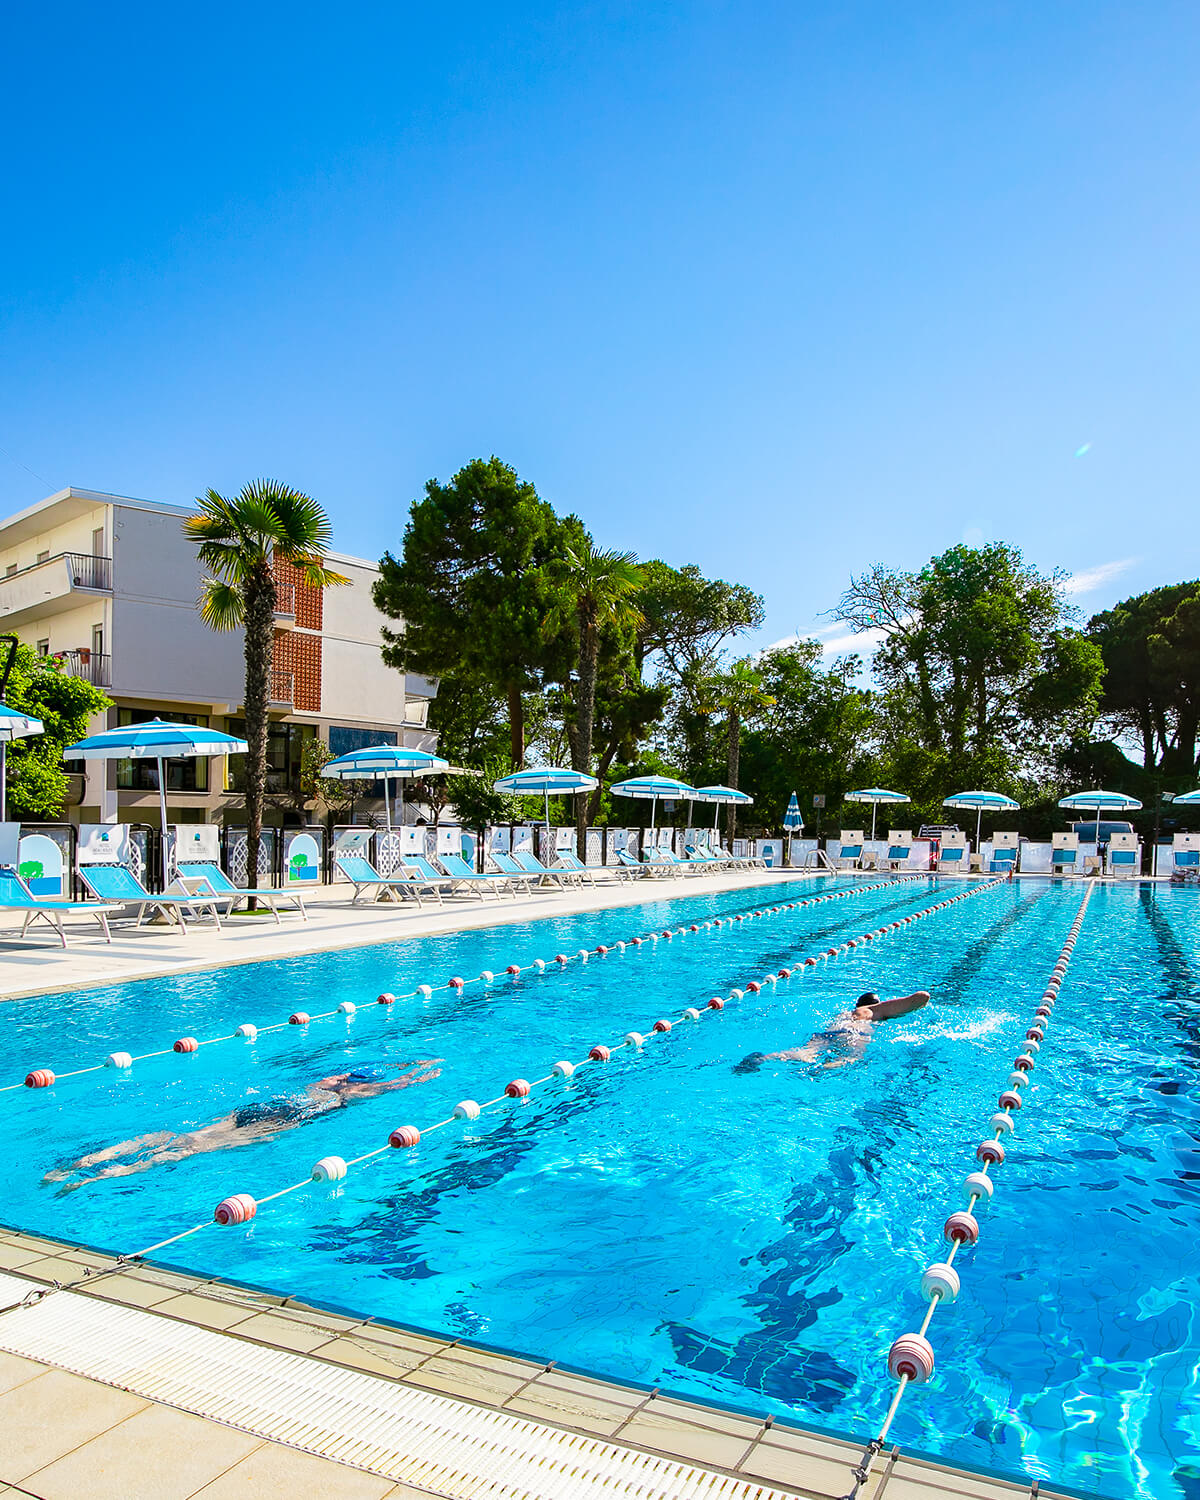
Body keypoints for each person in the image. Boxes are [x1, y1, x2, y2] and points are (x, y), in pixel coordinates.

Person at [44, 1060, 442, 1189]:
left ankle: (93, 1159)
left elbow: (346, 1079)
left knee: (175, 1136)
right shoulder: (349, 1096)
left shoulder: (321, 1083)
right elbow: (394, 1086)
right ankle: (110, 1173)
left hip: (255, 1108)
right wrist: (420, 1073)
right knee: (193, 1148)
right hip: (283, 1120)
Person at [735, 991, 930, 1072]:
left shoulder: (845, 1013)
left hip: (828, 1033)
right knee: (851, 1059)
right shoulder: (871, 1011)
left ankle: (765, 1058)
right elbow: (922, 997)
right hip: (853, 1034)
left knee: (805, 1052)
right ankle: (820, 1071)